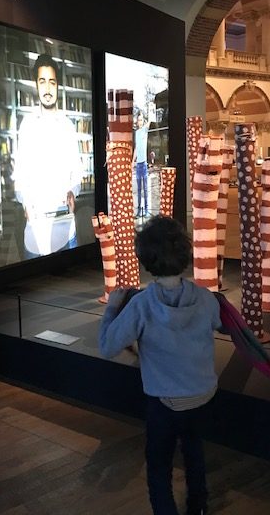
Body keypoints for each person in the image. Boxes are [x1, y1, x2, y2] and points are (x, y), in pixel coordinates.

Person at [99, 215, 221, 515]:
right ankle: (198, 508)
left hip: (165, 402)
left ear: (145, 259)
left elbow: (107, 346)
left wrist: (112, 308)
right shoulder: (206, 299)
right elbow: (219, 323)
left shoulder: (142, 305)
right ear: (185, 253)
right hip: (202, 395)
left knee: (159, 466)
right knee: (194, 453)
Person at [14, 53, 83, 257]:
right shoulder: (27, 126)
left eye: (52, 82)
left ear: (58, 85)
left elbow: (77, 172)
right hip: (35, 234)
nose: (47, 88)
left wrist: (73, 192)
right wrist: (25, 202)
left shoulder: (68, 126)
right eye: (42, 81)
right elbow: (20, 176)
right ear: (36, 85)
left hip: (66, 231)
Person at [132, 110, 149, 217]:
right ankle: (139, 210)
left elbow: (149, 123)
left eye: (141, 120)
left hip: (144, 164)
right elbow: (136, 148)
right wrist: (132, 161)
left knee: (145, 189)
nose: (140, 122)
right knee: (139, 189)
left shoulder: (145, 130)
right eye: (139, 120)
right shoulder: (137, 133)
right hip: (138, 164)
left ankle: (146, 210)